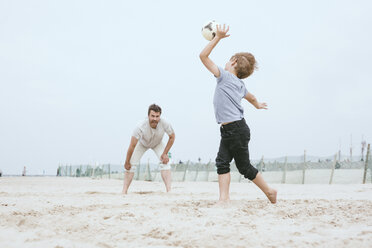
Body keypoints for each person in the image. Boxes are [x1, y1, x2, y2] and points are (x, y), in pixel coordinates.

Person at [199, 24, 277, 204]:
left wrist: (217, 37)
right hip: (232, 129)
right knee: (222, 162)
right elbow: (251, 97)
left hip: (235, 129)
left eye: (228, 60)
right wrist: (257, 104)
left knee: (244, 167)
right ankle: (224, 199)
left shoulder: (224, 76)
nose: (225, 63)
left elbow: (203, 56)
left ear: (233, 62)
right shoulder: (241, 85)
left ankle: (270, 191)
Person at [122, 104, 175, 194]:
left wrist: (165, 153)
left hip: (157, 143)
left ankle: (169, 191)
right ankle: (124, 191)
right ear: (148, 116)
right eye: (152, 116)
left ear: (160, 116)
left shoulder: (165, 123)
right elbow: (132, 146)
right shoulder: (140, 126)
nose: (155, 119)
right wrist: (127, 161)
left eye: (157, 116)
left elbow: (172, 137)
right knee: (131, 165)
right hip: (142, 144)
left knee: (165, 162)